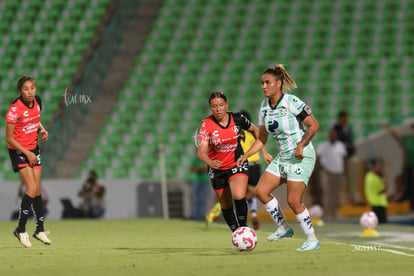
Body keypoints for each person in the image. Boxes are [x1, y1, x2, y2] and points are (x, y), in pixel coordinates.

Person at [237, 64, 321, 251]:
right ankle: (283, 227)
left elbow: (314, 126)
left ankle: (312, 239)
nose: (263, 86)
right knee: (261, 191)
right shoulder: (264, 108)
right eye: (262, 83)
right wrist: (246, 154)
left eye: (267, 82)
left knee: (293, 201)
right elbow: (262, 138)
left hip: (301, 155)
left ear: (278, 83)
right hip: (283, 157)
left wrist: (301, 144)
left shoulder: (292, 102)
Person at [197, 92, 271, 232]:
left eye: (220, 105)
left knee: (238, 195)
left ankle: (243, 229)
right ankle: (237, 232)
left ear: (226, 105)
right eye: (214, 106)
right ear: (210, 108)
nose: (218, 109)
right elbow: (201, 151)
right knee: (225, 204)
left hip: (237, 164)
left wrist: (264, 151)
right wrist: (210, 161)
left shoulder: (238, 119)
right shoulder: (207, 124)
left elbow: (257, 132)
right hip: (217, 169)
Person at [5, 75, 51, 247]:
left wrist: (42, 129)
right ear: (20, 91)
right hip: (18, 150)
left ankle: (39, 229)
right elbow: (9, 138)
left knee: (37, 189)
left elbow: (34, 119)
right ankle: (20, 229)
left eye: (32, 88)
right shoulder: (14, 109)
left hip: (33, 148)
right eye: (26, 89)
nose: (30, 92)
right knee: (31, 188)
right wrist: (27, 153)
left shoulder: (37, 101)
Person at [240, 110, 271, 230]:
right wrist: (265, 153)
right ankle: (253, 214)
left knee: (244, 193)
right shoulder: (253, 133)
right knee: (253, 192)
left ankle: (242, 209)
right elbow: (261, 142)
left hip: (243, 164)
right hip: (255, 165)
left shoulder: (238, 133)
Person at [316, 128, 347, 218]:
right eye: (331, 134)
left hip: (338, 172)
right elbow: (318, 158)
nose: (332, 136)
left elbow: (344, 158)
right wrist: (323, 168)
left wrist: (344, 170)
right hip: (327, 173)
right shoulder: (323, 145)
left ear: (336, 135)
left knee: (336, 193)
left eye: (334, 134)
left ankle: (334, 212)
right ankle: (326, 213)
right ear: (328, 135)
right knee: (327, 193)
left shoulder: (340, 145)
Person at [384, 123, 414, 210]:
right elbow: (398, 134)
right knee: (409, 185)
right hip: (409, 166)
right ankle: (411, 204)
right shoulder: (408, 138)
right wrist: (389, 127)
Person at [364, 159, 388, 223]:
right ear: (373, 166)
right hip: (377, 204)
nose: (380, 168)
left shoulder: (370, 176)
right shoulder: (372, 178)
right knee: (381, 224)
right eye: (378, 166)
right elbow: (383, 190)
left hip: (377, 203)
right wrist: (385, 178)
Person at [189, 152, 210, 221]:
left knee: (203, 199)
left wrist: (201, 169)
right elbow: (191, 169)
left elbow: (209, 168)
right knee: (195, 199)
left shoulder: (206, 159)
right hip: (196, 181)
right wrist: (200, 169)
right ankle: (195, 216)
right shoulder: (195, 159)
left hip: (205, 181)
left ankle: (202, 216)